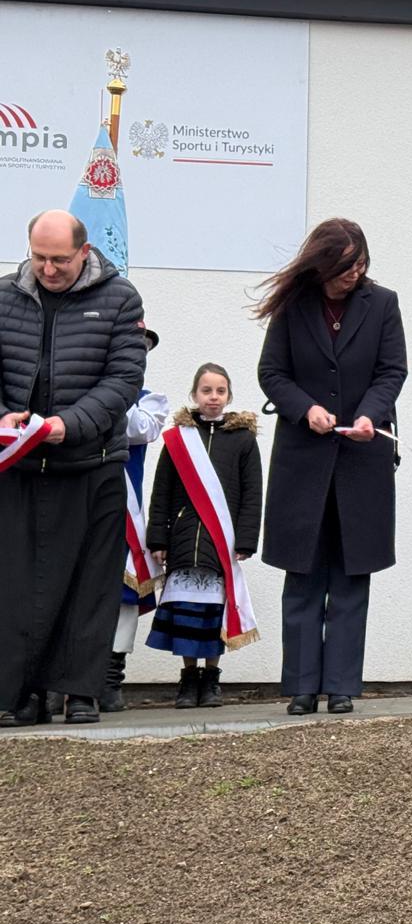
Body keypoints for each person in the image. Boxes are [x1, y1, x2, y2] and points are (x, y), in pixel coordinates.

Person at [256, 218, 407, 716]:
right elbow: (272, 372)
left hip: (362, 459)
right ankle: (302, 686)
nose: (353, 274)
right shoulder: (294, 305)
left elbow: (392, 370)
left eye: (360, 264)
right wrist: (306, 409)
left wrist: (369, 415)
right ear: (320, 265)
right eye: (344, 267)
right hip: (303, 460)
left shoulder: (383, 304)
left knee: (350, 574)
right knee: (302, 574)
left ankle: (341, 685)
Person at [0, 210, 146, 727]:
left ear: (84, 252)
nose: (48, 269)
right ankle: (19, 694)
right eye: (39, 257)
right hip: (20, 468)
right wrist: (6, 417)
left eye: (60, 259)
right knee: (17, 587)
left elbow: (124, 379)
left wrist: (71, 424)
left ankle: (79, 693)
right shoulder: (4, 296)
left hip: (91, 464)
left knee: (90, 586)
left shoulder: (121, 298)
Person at [145, 363, 263, 708]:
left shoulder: (242, 440)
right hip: (182, 539)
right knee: (185, 613)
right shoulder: (179, 439)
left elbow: (252, 493)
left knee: (213, 614)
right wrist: (158, 539)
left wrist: (246, 540)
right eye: (206, 390)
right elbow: (161, 491)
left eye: (220, 391)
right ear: (195, 394)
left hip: (220, 541)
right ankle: (188, 678)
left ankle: (211, 678)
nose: (213, 397)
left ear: (229, 395)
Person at [103, 323, 171, 713]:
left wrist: (111, 392)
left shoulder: (150, 401)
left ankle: (111, 677)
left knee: (124, 595)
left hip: (124, 514)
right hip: (81, 507)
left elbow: (138, 429)